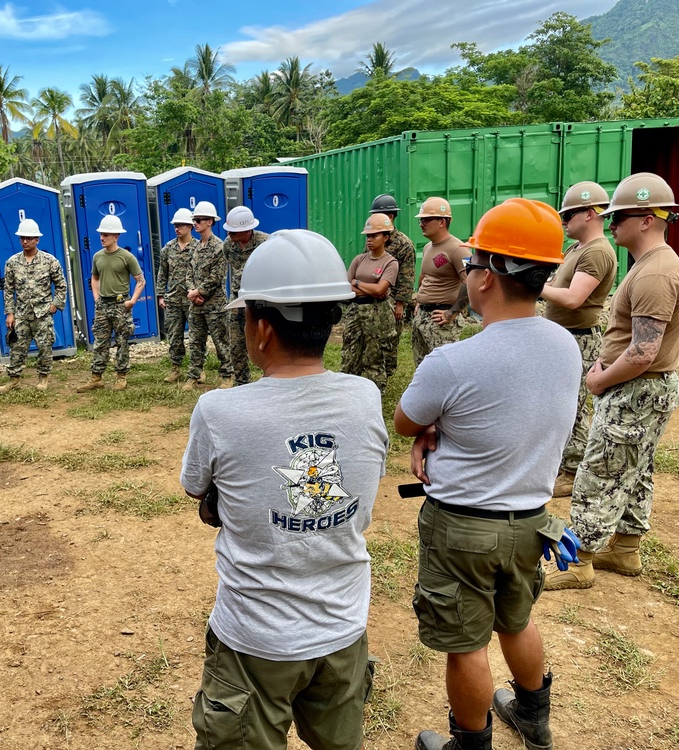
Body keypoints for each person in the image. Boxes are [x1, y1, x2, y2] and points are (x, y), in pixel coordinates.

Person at [182, 229, 387, 750]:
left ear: (263, 330)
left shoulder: (219, 410)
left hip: (255, 638)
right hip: (343, 632)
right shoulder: (365, 396)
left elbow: (197, 490)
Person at [394, 199, 581, 750]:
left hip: (462, 528)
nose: (467, 272)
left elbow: (408, 421)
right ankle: (533, 715)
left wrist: (432, 430)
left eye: (474, 264)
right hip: (531, 520)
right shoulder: (565, 346)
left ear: (490, 277)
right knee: (517, 620)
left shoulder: (454, 361)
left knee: (467, 644)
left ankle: (470, 744)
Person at [546, 172, 679, 591]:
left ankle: (580, 561)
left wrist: (600, 379)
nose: (611, 224)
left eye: (620, 216)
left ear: (648, 218)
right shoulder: (653, 265)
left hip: (636, 390)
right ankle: (626, 549)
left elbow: (644, 351)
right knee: (635, 468)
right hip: (645, 389)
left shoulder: (654, 274)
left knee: (601, 472)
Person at [541, 182, 617, 498]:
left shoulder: (598, 251)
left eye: (569, 214)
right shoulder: (578, 249)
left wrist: (531, 287)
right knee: (559, 403)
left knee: (572, 405)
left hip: (578, 339)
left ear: (590, 213)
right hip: (564, 336)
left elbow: (573, 298)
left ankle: (573, 472)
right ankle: (563, 464)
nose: (564, 221)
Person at [0, 218, 67, 394]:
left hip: (42, 314)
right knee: (17, 349)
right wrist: (9, 313)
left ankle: (43, 378)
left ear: (37, 239)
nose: (25, 241)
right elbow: (8, 290)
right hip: (21, 314)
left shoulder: (50, 261)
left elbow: (61, 286)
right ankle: (14, 380)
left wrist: (55, 305)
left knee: (45, 347)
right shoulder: (12, 262)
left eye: (29, 238)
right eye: (22, 238)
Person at [75, 214, 146, 392]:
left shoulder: (127, 257)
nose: (102, 237)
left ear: (116, 236)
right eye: (101, 234)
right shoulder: (97, 257)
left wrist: (132, 301)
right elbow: (94, 277)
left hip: (120, 305)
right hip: (103, 307)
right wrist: (97, 299)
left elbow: (141, 281)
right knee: (100, 342)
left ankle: (121, 377)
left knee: (122, 342)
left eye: (106, 234)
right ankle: (96, 377)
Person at [341, 213, 400, 393]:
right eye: (368, 236)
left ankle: (373, 392)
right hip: (355, 311)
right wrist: (367, 287)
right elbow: (344, 286)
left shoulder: (390, 262)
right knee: (350, 351)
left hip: (377, 314)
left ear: (385, 237)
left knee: (374, 354)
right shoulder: (359, 260)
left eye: (374, 235)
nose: (369, 239)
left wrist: (357, 283)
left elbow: (380, 290)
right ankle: (348, 390)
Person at [411, 197, 470, 366]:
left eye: (426, 220)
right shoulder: (429, 247)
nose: (421, 224)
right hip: (423, 316)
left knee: (445, 368)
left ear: (442, 222)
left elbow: (470, 281)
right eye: (421, 220)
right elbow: (424, 276)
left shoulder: (459, 249)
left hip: (441, 320)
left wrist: (453, 312)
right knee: (422, 367)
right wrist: (420, 301)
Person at [183, 201, 232, 391]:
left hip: (215, 305)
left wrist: (198, 292)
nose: (195, 223)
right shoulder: (196, 247)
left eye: (199, 220)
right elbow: (189, 273)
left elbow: (217, 276)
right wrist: (192, 292)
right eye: (194, 220)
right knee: (195, 341)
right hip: (196, 305)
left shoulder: (219, 247)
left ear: (210, 222)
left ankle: (227, 375)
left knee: (221, 341)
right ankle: (193, 376)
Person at [369, 194, 417, 377]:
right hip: (373, 296)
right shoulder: (373, 237)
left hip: (392, 300)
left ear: (390, 217)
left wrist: (400, 304)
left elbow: (407, 277)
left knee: (390, 338)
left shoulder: (404, 244)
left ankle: (387, 372)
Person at [222, 205, 268, 386]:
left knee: (266, 341)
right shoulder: (227, 246)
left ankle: (270, 379)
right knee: (236, 343)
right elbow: (233, 267)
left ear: (247, 230)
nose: (230, 235)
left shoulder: (266, 243)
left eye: (234, 232)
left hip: (260, 299)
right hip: (237, 299)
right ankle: (241, 382)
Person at [156, 207, 198, 384]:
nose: (177, 228)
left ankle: (198, 368)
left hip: (191, 299)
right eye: (175, 225)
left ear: (190, 226)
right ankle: (175, 368)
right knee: (174, 335)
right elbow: (162, 273)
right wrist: (160, 295)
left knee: (196, 336)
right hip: (172, 299)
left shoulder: (198, 247)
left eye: (181, 225)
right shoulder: (168, 248)